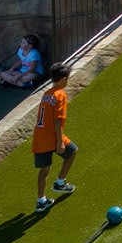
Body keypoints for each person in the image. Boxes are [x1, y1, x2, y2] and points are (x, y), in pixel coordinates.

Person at [32, 63, 78, 213]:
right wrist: (59, 141)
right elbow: (58, 120)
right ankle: (59, 182)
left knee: (44, 170)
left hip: (40, 137)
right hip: (52, 136)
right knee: (71, 152)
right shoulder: (60, 94)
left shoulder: (47, 94)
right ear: (64, 79)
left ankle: (41, 201)